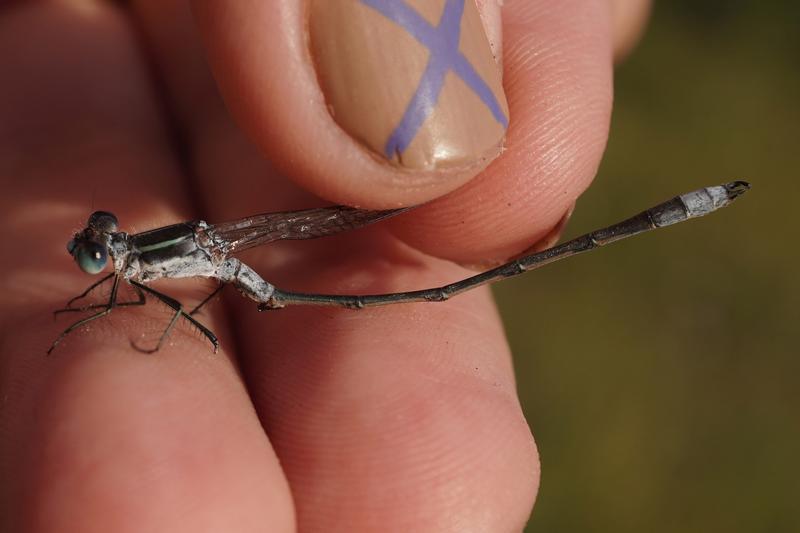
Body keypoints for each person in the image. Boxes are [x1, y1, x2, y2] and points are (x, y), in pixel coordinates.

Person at [0, 1, 650, 530]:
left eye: (99, 245)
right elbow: (152, 292)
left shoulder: (134, 267)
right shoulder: (133, 266)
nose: (98, 247)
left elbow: (166, 296)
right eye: (99, 244)